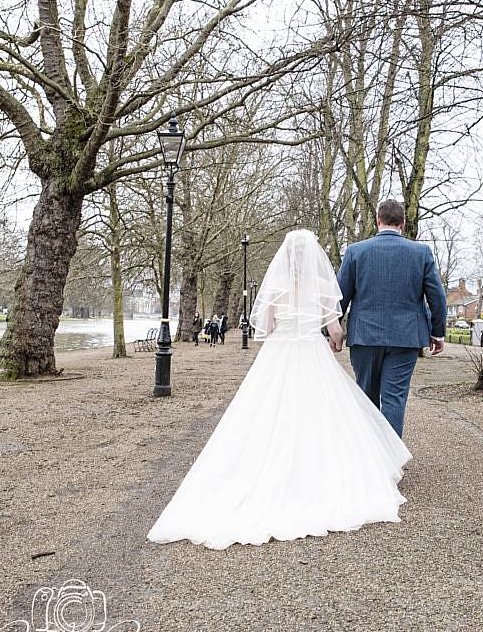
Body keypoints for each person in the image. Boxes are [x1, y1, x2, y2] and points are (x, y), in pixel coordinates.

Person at [147, 229, 409, 550]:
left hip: (280, 352)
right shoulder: (324, 286)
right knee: (325, 412)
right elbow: (335, 328)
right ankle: (321, 473)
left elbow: (265, 327)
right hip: (312, 352)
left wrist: (284, 325)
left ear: (285, 258)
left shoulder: (276, 286)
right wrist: (334, 341)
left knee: (268, 412)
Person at [336, 198, 447, 439]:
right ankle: (390, 463)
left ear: (378, 220)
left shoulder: (356, 251)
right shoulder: (421, 252)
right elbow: (436, 295)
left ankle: (369, 459)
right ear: (403, 224)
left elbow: (340, 296)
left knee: (366, 397)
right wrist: (437, 331)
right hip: (406, 338)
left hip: (364, 337)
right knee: (394, 398)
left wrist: (331, 331)